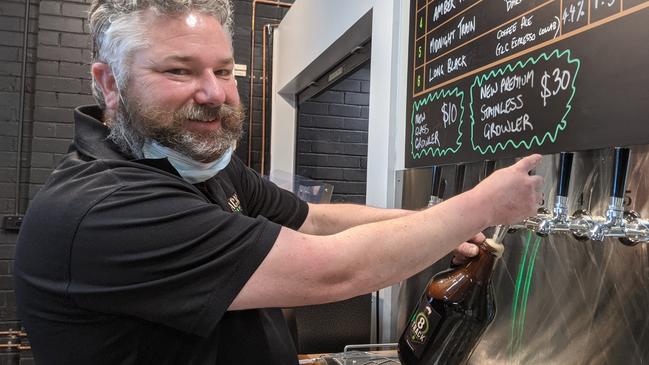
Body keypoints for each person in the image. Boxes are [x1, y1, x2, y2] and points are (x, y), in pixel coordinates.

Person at [13, 0, 544, 363]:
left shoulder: (195, 164)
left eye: (223, 71)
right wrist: (480, 205)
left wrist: (437, 224)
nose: (213, 94)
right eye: (178, 71)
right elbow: (332, 271)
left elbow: (314, 219)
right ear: (109, 83)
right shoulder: (105, 209)